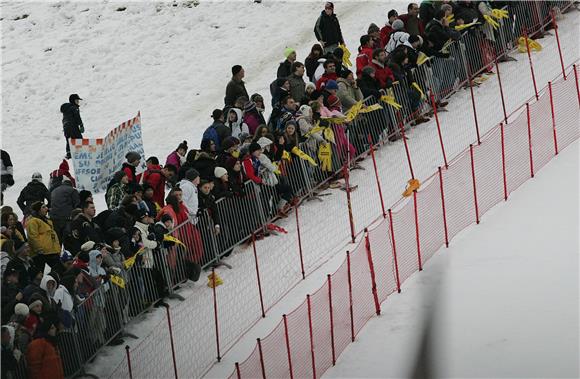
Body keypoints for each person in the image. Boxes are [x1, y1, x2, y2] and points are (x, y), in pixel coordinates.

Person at [26, 202, 61, 269]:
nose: (47, 209)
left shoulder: (47, 220)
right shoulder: (33, 221)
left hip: (52, 251)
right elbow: (32, 236)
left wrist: (57, 249)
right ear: (38, 210)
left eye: (46, 207)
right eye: (43, 207)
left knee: (59, 270)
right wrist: (38, 249)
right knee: (38, 273)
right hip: (41, 253)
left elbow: (53, 236)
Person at [60, 94, 83, 159]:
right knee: (79, 137)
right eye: (77, 100)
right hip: (72, 125)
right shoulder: (74, 108)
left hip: (66, 127)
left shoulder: (66, 109)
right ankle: (82, 151)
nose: (78, 102)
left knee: (69, 139)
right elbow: (77, 117)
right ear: (73, 101)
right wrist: (81, 125)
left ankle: (69, 153)